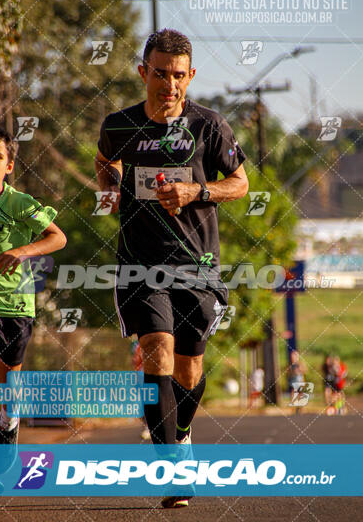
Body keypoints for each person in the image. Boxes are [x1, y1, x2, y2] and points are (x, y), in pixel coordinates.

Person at [95, 28, 248, 508]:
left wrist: (196, 192)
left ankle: (180, 433)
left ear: (191, 76)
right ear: (144, 73)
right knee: (157, 350)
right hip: (140, 263)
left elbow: (240, 183)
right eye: (160, 74)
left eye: (178, 75)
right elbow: (104, 161)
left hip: (198, 264)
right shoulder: (119, 125)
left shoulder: (209, 127)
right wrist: (112, 187)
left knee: (189, 368)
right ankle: (171, 470)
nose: (169, 84)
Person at [0, 126, 67, 501]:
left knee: (10, 382)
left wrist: (23, 251)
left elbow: (56, 238)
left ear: (9, 165)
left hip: (16, 306)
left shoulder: (20, 203)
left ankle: (9, 423)